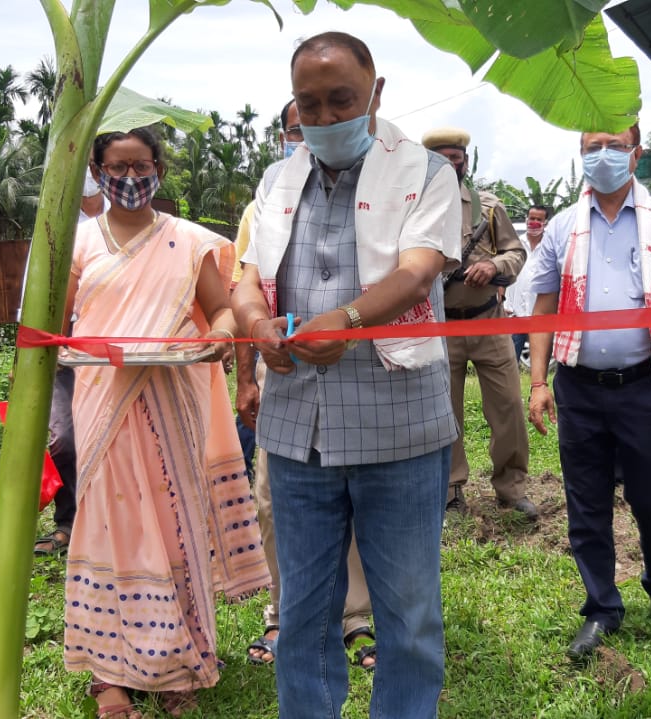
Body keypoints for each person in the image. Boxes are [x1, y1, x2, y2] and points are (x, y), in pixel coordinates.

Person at [231, 32, 460, 719]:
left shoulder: (426, 173)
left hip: (400, 425)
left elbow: (419, 269)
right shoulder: (278, 179)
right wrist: (254, 320)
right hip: (299, 428)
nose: (326, 119)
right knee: (302, 610)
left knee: (409, 612)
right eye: (311, 105)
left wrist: (350, 320)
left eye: (342, 101)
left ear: (376, 94)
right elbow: (247, 277)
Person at [61, 126, 268, 719]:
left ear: (160, 169)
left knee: (175, 517)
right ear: (99, 172)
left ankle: (177, 659)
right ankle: (109, 679)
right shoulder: (76, 244)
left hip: (174, 395)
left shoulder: (189, 241)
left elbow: (222, 307)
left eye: (142, 165)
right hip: (102, 400)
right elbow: (53, 319)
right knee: (105, 520)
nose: (130, 178)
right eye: (118, 167)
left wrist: (223, 337)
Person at [527, 124, 651, 659]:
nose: (601, 156)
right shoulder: (562, 228)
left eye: (612, 145)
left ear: (636, 153)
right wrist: (538, 382)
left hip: (644, 388)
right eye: (591, 147)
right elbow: (542, 309)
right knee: (586, 503)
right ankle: (602, 606)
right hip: (578, 389)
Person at [233, 99, 377, 671]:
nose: (310, 134)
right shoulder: (263, 204)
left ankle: (355, 616)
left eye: (326, 117)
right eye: (296, 128)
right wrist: (247, 378)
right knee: (273, 502)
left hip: (361, 375)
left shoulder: (378, 199)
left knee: (357, 499)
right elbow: (245, 295)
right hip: (284, 378)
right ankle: (282, 613)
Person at [421, 126, 536, 520]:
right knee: (445, 413)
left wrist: (493, 265)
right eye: (443, 158)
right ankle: (452, 489)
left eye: (458, 158)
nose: (452, 164)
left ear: (466, 162)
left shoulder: (487, 207)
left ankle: (511, 487)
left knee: (508, 407)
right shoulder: (416, 207)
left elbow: (515, 252)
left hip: (489, 322)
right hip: (441, 327)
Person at [34, 168, 108, 556]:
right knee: (64, 440)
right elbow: (36, 292)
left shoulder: (126, 221)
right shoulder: (54, 227)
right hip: (64, 354)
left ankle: (109, 528)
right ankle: (68, 521)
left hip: (113, 356)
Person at [506, 204, 551, 364]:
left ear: (545, 223)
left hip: (539, 316)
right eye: (532, 218)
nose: (534, 222)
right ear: (526, 219)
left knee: (540, 365)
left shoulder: (550, 246)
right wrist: (505, 303)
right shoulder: (514, 243)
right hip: (514, 315)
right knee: (509, 365)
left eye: (539, 220)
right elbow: (505, 274)